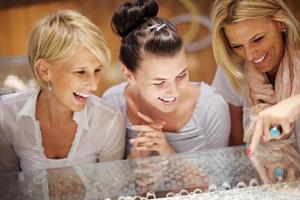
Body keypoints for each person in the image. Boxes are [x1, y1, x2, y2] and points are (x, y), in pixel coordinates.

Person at [0, 10, 125, 172]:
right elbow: (7, 187)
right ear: (44, 71)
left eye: (97, 70)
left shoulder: (108, 120)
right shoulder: (6, 115)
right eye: (80, 72)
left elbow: (112, 191)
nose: (93, 86)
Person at [103, 0, 230, 158]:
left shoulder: (212, 107)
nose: (174, 91)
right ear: (129, 74)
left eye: (181, 75)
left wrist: (167, 152)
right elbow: (107, 176)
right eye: (159, 82)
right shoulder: (112, 104)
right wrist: (138, 156)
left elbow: (218, 178)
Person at [210, 0, 300, 153]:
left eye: (257, 39)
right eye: (237, 46)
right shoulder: (233, 69)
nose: (250, 56)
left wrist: (295, 103)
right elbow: (235, 142)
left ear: (281, 23)